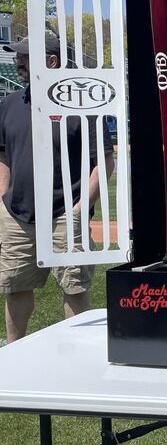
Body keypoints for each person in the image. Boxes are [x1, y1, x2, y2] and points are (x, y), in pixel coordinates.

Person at [0, 31, 115, 344]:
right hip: (17, 214)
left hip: (66, 212)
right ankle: (14, 350)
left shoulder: (83, 105)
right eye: (19, 55)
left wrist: (79, 209)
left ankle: (76, 356)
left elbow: (104, 162)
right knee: (15, 285)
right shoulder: (10, 103)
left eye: (25, 56)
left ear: (51, 61)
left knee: (74, 287)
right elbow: (4, 156)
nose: (18, 61)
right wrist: (2, 199)